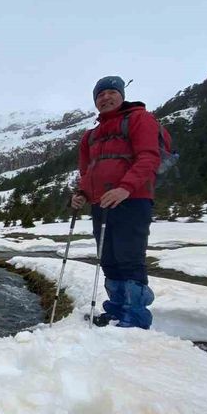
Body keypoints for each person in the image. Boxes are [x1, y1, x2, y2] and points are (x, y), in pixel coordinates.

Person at [70, 76, 161, 329]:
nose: (105, 97)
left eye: (111, 92)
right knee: (108, 259)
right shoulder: (90, 136)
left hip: (133, 201)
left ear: (121, 96)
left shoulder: (139, 119)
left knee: (129, 258)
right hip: (101, 204)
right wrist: (82, 194)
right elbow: (88, 172)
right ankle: (116, 311)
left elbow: (148, 157)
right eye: (100, 95)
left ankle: (135, 317)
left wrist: (125, 188)